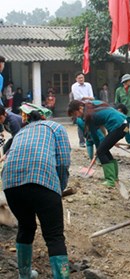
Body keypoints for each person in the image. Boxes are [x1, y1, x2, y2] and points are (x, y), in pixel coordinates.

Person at [2, 103, 71, 278]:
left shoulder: (20, 133)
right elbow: (63, 162)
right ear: (44, 117)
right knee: (54, 235)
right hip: (42, 179)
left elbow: (9, 154)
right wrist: (59, 188)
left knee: (26, 227)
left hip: (10, 183)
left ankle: (24, 275)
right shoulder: (56, 127)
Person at [68, 100, 128, 187]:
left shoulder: (88, 116)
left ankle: (110, 180)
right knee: (104, 150)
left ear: (80, 108)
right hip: (125, 125)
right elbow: (102, 123)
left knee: (101, 152)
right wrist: (105, 141)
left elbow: (94, 135)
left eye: (75, 113)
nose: (76, 116)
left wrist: (98, 149)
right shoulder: (91, 105)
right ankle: (114, 178)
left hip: (119, 126)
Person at [71, 71, 94, 148]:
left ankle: (90, 138)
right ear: (76, 79)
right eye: (79, 78)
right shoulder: (74, 86)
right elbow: (78, 97)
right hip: (79, 106)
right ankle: (81, 141)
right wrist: (88, 98)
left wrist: (88, 98)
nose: (81, 79)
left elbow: (92, 96)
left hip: (88, 105)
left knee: (89, 122)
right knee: (80, 123)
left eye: (82, 77)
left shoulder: (88, 85)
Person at [115, 74, 130, 145]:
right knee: (126, 130)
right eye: (129, 80)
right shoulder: (119, 90)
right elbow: (117, 102)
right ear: (125, 81)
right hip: (123, 115)